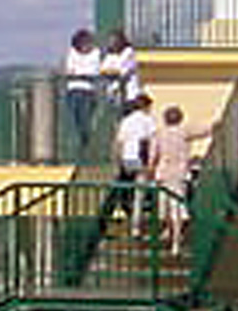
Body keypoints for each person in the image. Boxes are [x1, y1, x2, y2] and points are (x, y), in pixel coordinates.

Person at [150, 106, 212, 256]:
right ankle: (176, 243)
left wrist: (150, 171)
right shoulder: (184, 132)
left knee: (164, 207)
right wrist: (215, 124)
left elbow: (152, 156)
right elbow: (204, 131)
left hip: (163, 173)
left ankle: (167, 231)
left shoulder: (158, 134)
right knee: (176, 208)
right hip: (179, 174)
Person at [101, 94, 157, 235]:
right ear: (145, 106)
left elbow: (118, 143)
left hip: (127, 159)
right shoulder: (148, 120)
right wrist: (151, 163)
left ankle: (114, 215)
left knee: (125, 190)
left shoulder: (126, 121)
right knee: (139, 194)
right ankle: (135, 227)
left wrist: (117, 160)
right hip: (140, 159)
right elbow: (152, 141)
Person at [65, 28, 103, 156]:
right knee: (74, 120)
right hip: (73, 89)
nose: (85, 45)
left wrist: (80, 73)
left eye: (87, 42)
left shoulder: (96, 53)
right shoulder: (72, 53)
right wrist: (81, 73)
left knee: (85, 120)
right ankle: (77, 146)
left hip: (87, 91)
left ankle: (86, 145)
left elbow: (94, 71)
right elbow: (70, 70)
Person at [100, 29, 141, 110]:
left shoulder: (129, 52)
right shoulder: (110, 56)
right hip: (114, 95)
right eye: (111, 41)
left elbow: (126, 71)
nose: (113, 43)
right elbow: (103, 70)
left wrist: (114, 72)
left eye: (115, 41)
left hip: (129, 94)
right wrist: (112, 72)